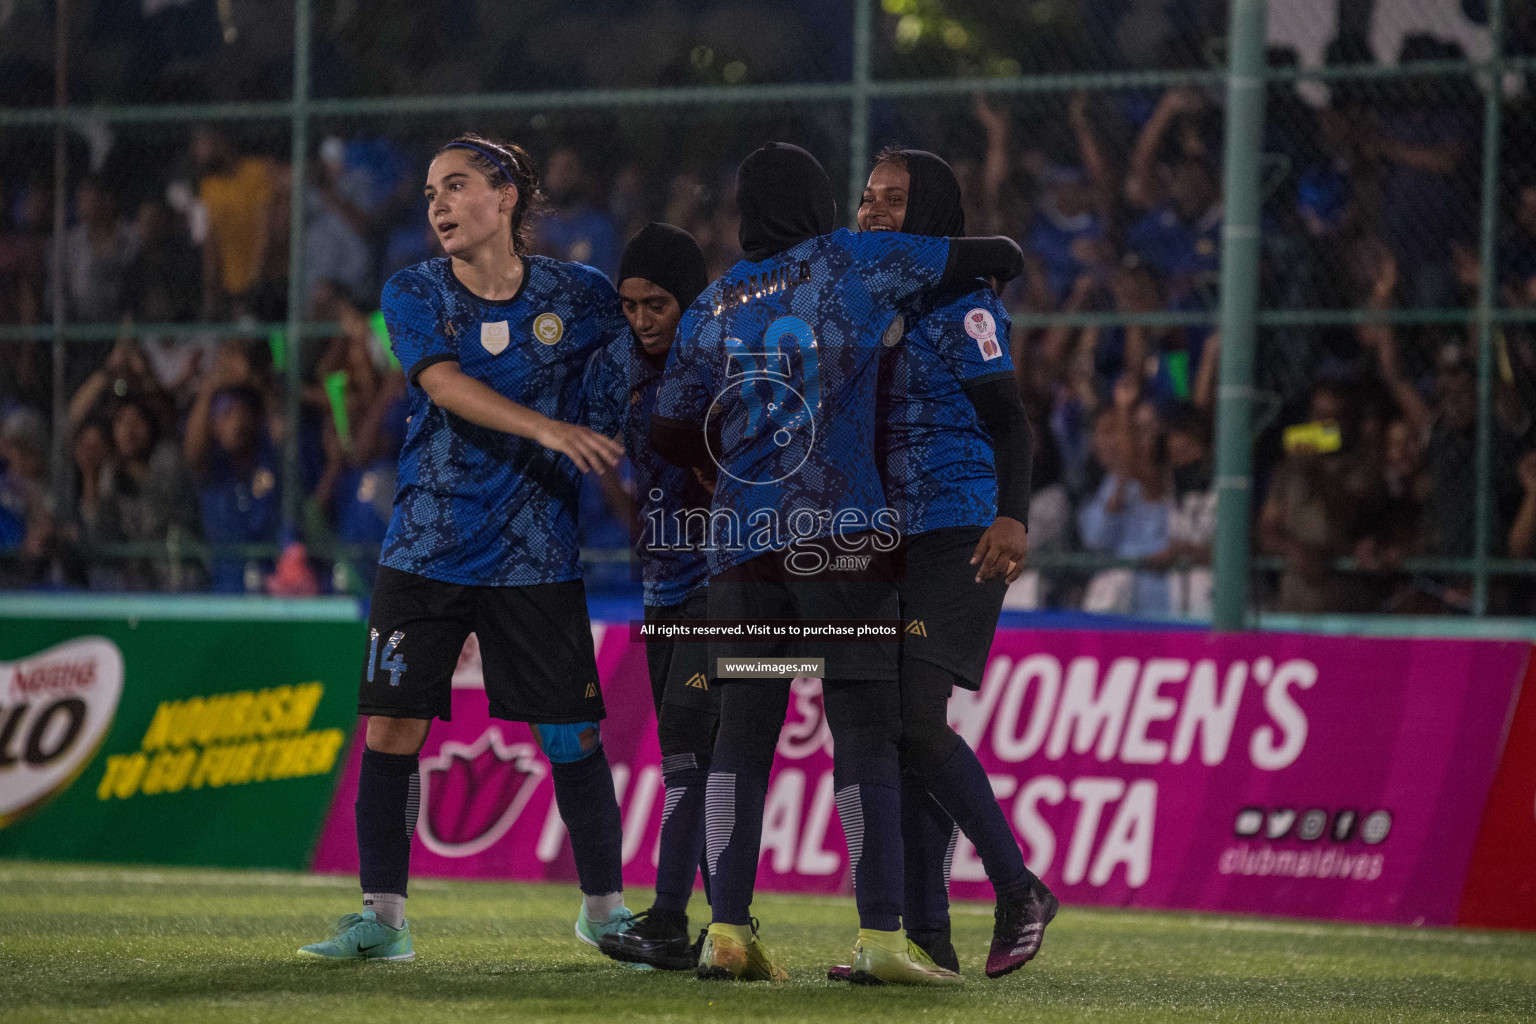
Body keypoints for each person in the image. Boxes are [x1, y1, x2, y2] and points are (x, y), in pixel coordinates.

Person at [651, 141, 1024, 985]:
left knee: (740, 733)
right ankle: (883, 936)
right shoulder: (847, 259)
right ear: (820, 201)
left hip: (740, 548)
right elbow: (996, 255)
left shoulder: (710, 306)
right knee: (865, 728)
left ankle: (728, 931)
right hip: (840, 537)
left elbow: (672, 432)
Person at [297, 134, 636, 964]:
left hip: (535, 557)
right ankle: (383, 920)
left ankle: (606, 911)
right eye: (428, 193)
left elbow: (638, 356)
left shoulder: (580, 294)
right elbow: (444, 385)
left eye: (455, 187)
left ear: (506, 197)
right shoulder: (413, 290)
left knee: (572, 739)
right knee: (390, 732)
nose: (438, 206)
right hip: (425, 547)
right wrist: (551, 429)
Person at [826, 147, 1056, 982]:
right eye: (867, 199)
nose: (873, 212)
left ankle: (1018, 887)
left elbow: (1011, 421)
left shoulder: (964, 302)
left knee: (915, 724)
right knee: (896, 734)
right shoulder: (860, 299)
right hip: (882, 535)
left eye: (893, 201)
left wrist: (1013, 516)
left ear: (931, 214)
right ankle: (930, 941)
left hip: (960, 528)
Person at [583, 223, 718, 971]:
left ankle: (670, 918)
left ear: (689, 299)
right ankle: (731, 923)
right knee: (689, 764)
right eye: (631, 304)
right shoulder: (631, 375)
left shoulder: (721, 366)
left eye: (657, 302)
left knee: (695, 758)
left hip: (722, 588)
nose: (643, 318)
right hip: (661, 590)